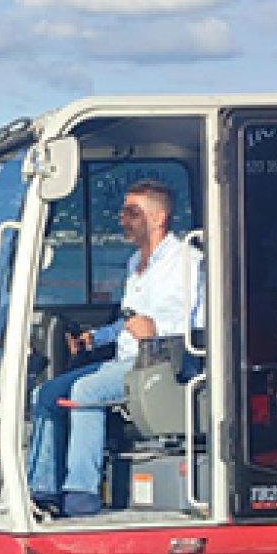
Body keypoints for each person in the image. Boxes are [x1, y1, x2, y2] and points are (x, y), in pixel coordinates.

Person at [27, 178, 202, 517]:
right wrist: (97, 338)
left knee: (86, 390)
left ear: (159, 217)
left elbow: (202, 327)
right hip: (128, 360)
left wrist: (157, 330)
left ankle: (82, 494)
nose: (122, 220)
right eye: (123, 212)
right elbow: (129, 321)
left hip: (165, 363)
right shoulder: (135, 263)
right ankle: (44, 489)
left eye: (131, 213)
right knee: (46, 394)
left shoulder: (188, 263)